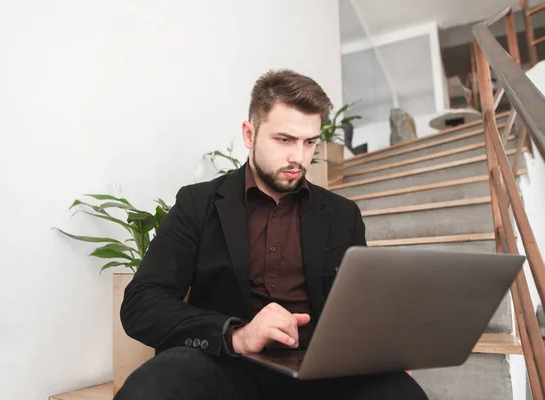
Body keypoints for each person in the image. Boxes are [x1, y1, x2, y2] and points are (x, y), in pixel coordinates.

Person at [115, 69, 428, 400]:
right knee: (152, 388)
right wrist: (236, 334)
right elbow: (141, 302)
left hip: (318, 375)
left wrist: (386, 346)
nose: (299, 157)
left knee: (401, 393)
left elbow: (360, 306)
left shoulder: (342, 214)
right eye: (284, 140)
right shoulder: (198, 203)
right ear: (249, 134)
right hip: (225, 363)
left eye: (309, 142)